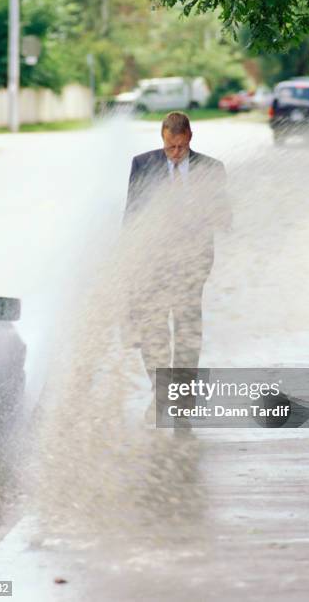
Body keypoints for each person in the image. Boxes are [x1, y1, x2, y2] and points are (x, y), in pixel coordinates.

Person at [122, 111, 231, 425]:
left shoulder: (211, 168)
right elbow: (132, 215)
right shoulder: (142, 165)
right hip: (151, 264)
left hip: (191, 264)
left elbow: (223, 216)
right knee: (153, 331)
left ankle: (183, 401)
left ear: (190, 138)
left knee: (186, 331)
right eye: (170, 148)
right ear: (163, 140)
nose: (175, 154)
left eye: (181, 147)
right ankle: (161, 395)